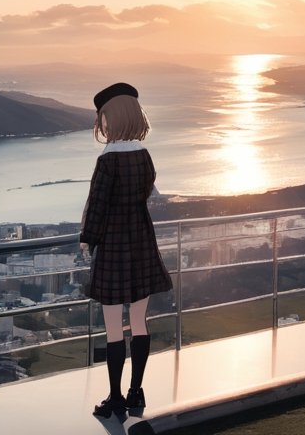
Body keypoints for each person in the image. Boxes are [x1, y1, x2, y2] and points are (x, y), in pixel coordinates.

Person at [80, 82, 174, 421]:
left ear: (111, 119)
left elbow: (98, 206)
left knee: (113, 327)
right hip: (141, 240)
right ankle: (137, 392)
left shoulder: (107, 161)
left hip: (113, 247)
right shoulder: (143, 155)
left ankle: (115, 397)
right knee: (139, 320)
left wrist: (87, 238)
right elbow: (147, 190)